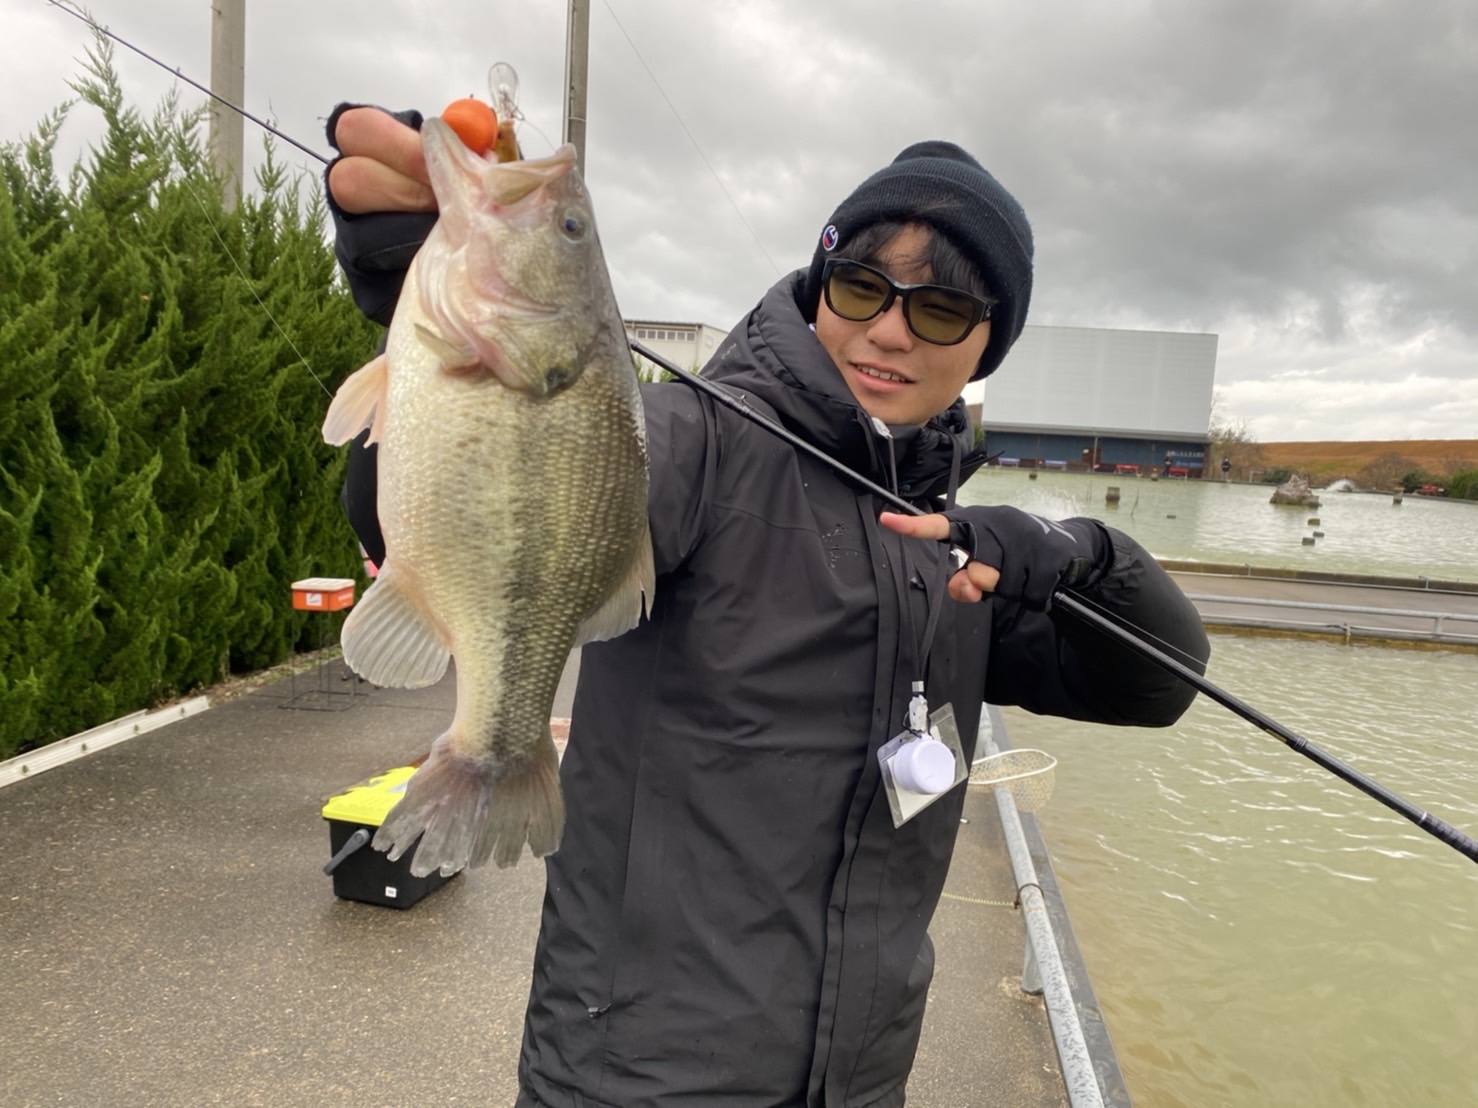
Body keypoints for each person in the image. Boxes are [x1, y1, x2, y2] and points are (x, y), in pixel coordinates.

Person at [324, 104, 1211, 1108]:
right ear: (820, 284)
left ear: (986, 347)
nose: (887, 329)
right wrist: (409, 284)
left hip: (858, 1083)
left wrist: (1076, 552)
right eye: (861, 287)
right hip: (631, 1083)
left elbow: (1159, 682)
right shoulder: (692, 444)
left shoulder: (960, 559)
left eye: (938, 312)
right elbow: (479, 486)